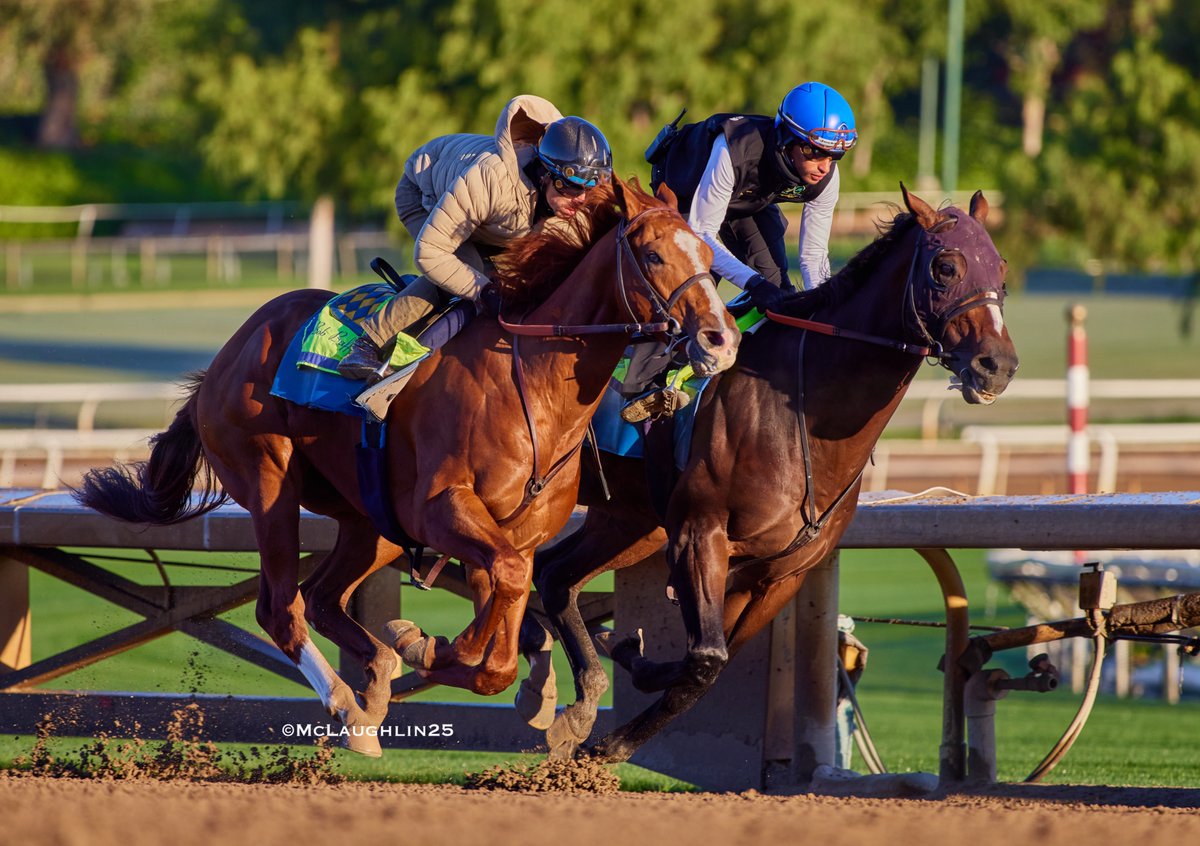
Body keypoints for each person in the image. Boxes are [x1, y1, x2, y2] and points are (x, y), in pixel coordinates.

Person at [620, 81, 858, 421]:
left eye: (834, 156)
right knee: (695, 292)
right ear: (787, 141)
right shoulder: (733, 147)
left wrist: (828, 306)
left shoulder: (825, 177)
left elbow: (814, 255)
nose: (823, 165)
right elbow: (703, 234)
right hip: (689, 202)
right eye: (813, 152)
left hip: (748, 203)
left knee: (781, 299)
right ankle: (639, 380)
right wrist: (752, 284)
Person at [337, 95, 613, 381]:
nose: (580, 200)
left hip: (487, 223)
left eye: (588, 191)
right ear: (545, 174)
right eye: (569, 187)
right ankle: (367, 345)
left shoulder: (572, 200)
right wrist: (483, 290)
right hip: (422, 195)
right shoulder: (490, 177)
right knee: (469, 271)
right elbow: (430, 252)